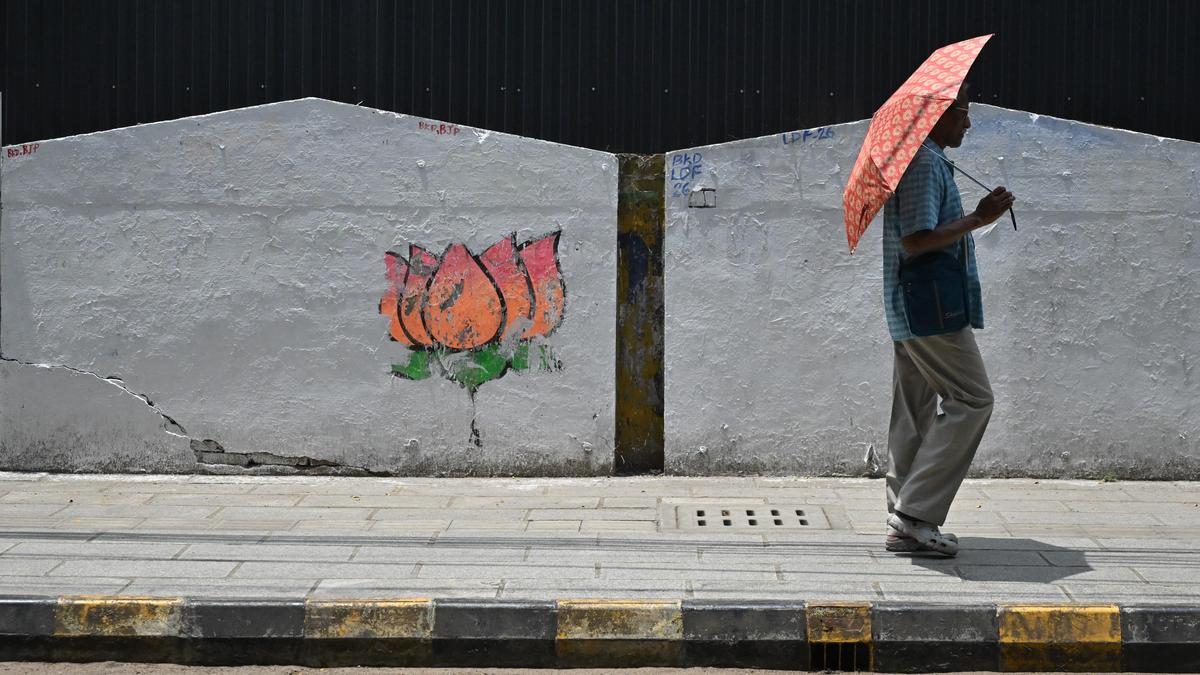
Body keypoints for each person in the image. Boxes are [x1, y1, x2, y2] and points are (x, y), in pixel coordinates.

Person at [880, 85, 1016, 556]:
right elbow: (916, 240)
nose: (968, 123)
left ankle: (906, 522)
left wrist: (980, 215)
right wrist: (979, 218)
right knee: (973, 399)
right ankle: (915, 512)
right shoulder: (923, 163)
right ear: (939, 114)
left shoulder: (929, 160)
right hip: (930, 309)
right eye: (963, 114)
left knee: (913, 410)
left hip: (916, 307)